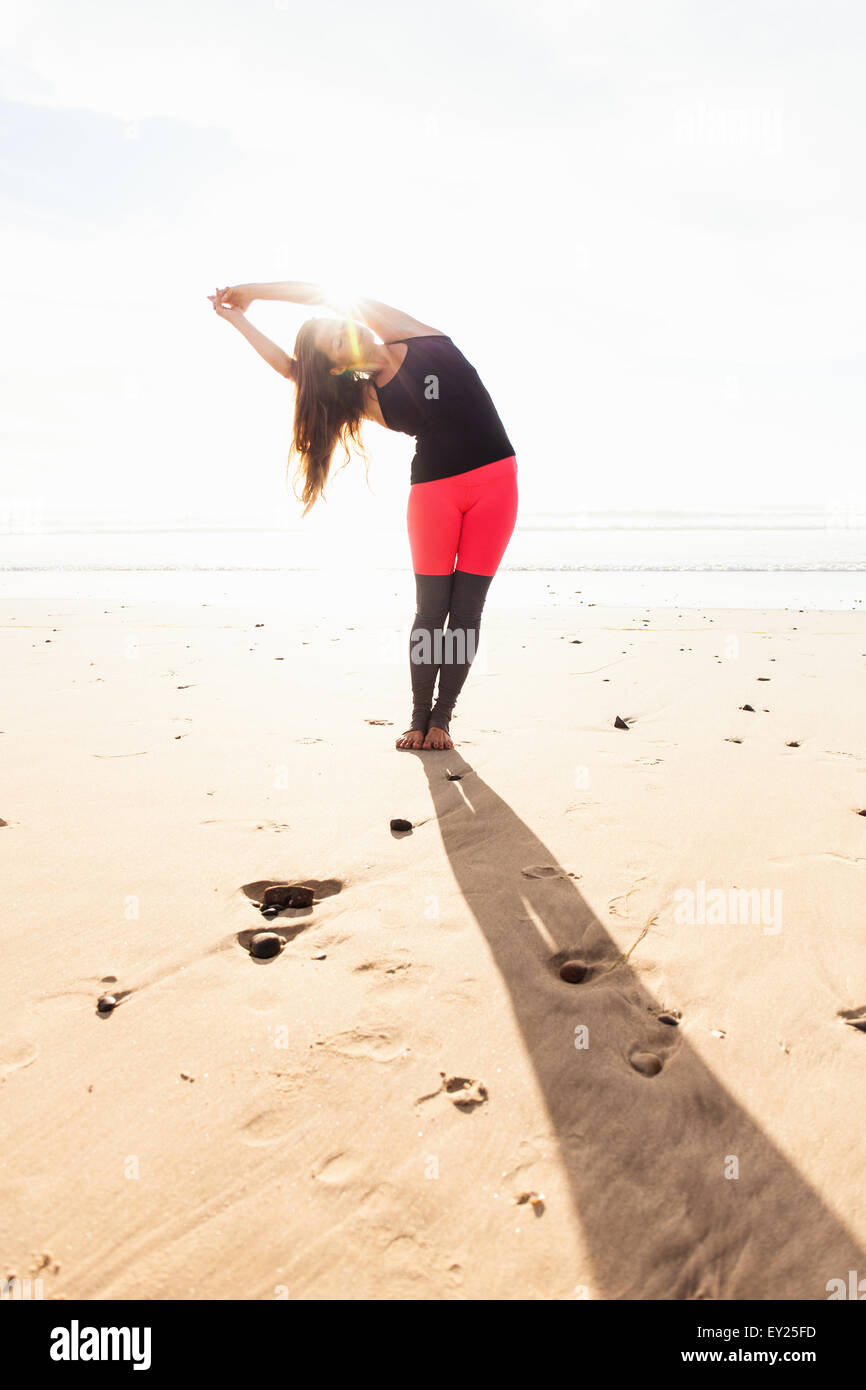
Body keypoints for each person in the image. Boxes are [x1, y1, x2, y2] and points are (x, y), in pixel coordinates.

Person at [208, 282, 518, 751]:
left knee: (467, 613)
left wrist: (252, 292)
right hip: (434, 494)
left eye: (341, 327)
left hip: (497, 486)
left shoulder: (412, 335)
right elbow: (293, 370)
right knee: (432, 612)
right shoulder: (366, 398)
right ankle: (419, 718)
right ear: (338, 366)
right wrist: (238, 320)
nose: (349, 334)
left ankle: (443, 719)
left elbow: (320, 294)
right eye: (337, 343)